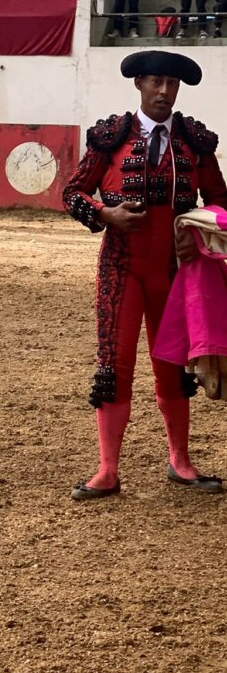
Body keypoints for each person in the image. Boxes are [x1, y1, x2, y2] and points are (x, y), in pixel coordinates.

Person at [62, 51, 227, 501]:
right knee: (114, 366)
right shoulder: (110, 137)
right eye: (155, 82)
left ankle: (181, 460)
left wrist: (196, 230)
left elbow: (219, 205)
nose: (164, 92)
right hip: (121, 266)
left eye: (171, 84)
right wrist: (106, 213)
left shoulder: (195, 141)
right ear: (138, 84)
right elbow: (72, 193)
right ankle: (108, 469)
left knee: (172, 366)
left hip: (176, 272)